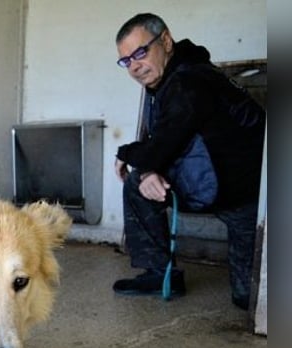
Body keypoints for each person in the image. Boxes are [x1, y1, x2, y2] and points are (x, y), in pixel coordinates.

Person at [112, 13, 265, 309]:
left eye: (140, 53)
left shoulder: (187, 82)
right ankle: (160, 274)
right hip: (212, 181)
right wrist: (147, 170)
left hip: (248, 198)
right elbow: (169, 142)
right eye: (126, 60)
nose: (134, 66)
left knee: (248, 298)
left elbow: (157, 150)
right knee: (138, 182)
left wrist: (128, 155)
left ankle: (162, 272)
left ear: (166, 41)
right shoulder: (174, 77)